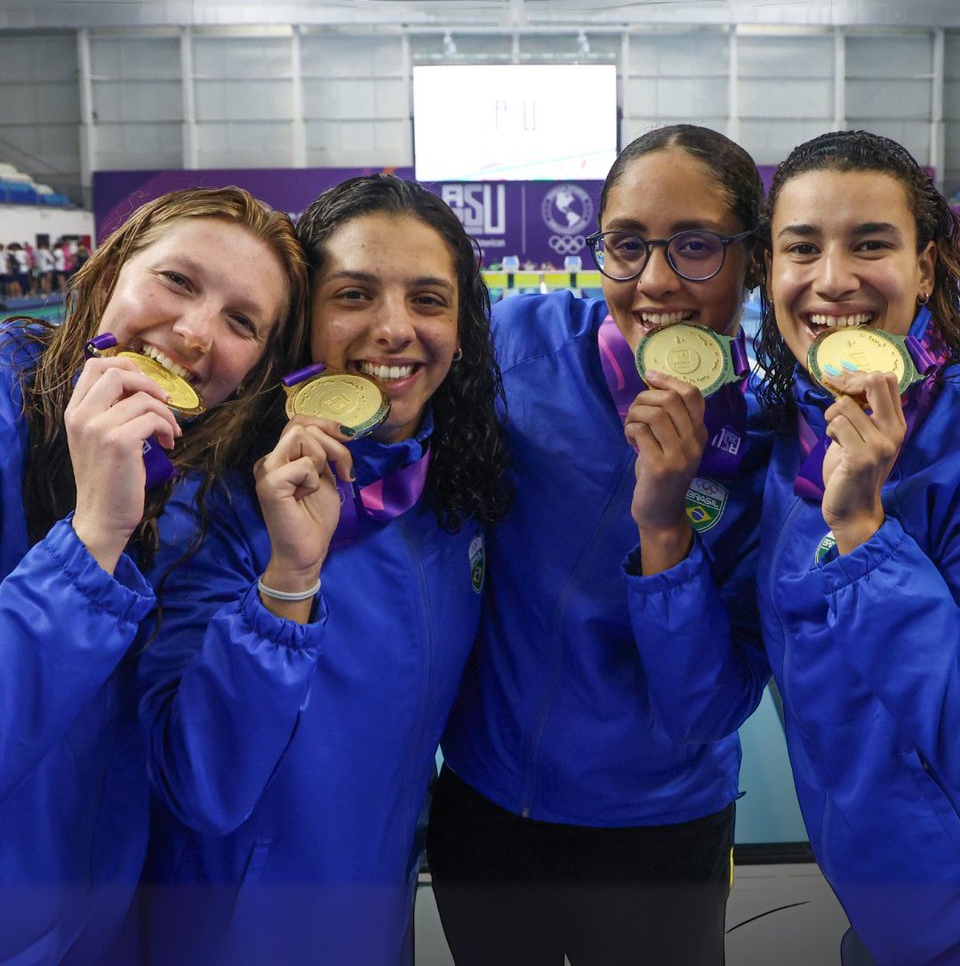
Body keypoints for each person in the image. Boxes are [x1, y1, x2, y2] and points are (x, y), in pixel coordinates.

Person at [137, 174, 511, 966]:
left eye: (429, 300)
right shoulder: (216, 504)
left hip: (375, 920)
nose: (393, 329)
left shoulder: (453, 496)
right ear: (302, 317)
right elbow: (200, 788)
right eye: (354, 295)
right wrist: (288, 581)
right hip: (234, 932)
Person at [428, 125, 771, 966]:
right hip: (485, 810)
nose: (655, 281)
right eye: (626, 245)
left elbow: (704, 708)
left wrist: (663, 530)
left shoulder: (772, 444)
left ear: (753, 260)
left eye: (696, 246)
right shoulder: (514, 345)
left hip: (660, 834)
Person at [630, 130, 960, 966]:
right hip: (883, 924)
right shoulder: (780, 459)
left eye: (871, 244)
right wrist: (665, 527)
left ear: (924, 268)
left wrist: (864, 533)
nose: (832, 279)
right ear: (768, 274)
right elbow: (703, 707)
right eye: (802, 248)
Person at [0, 185, 308, 966]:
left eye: (242, 322)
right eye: (177, 281)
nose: (197, 333)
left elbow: (208, 788)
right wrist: (94, 535)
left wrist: (290, 581)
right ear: (108, 273)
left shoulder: (190, 494)